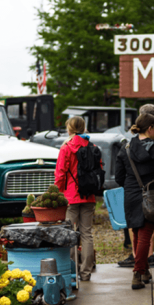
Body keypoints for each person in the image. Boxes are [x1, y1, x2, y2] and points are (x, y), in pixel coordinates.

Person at [114, 112, 154, 289]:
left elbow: (119, 177)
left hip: (131, 195)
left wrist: (130, 186)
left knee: (137, 233)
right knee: (145, 235)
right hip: (151, 195)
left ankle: (145, 271)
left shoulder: (125, 148)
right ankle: (137, 273)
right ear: (149, 128)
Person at [55, 116, 97, 282]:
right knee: (87, 234)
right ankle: (86, 272)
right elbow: (99, 168)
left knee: (70, 234)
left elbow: (60, 173)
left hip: (71, 196)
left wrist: (58, 193)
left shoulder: (66, 147)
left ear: (69, 129)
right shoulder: (92, 147)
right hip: (89, 196)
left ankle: (72, 272)